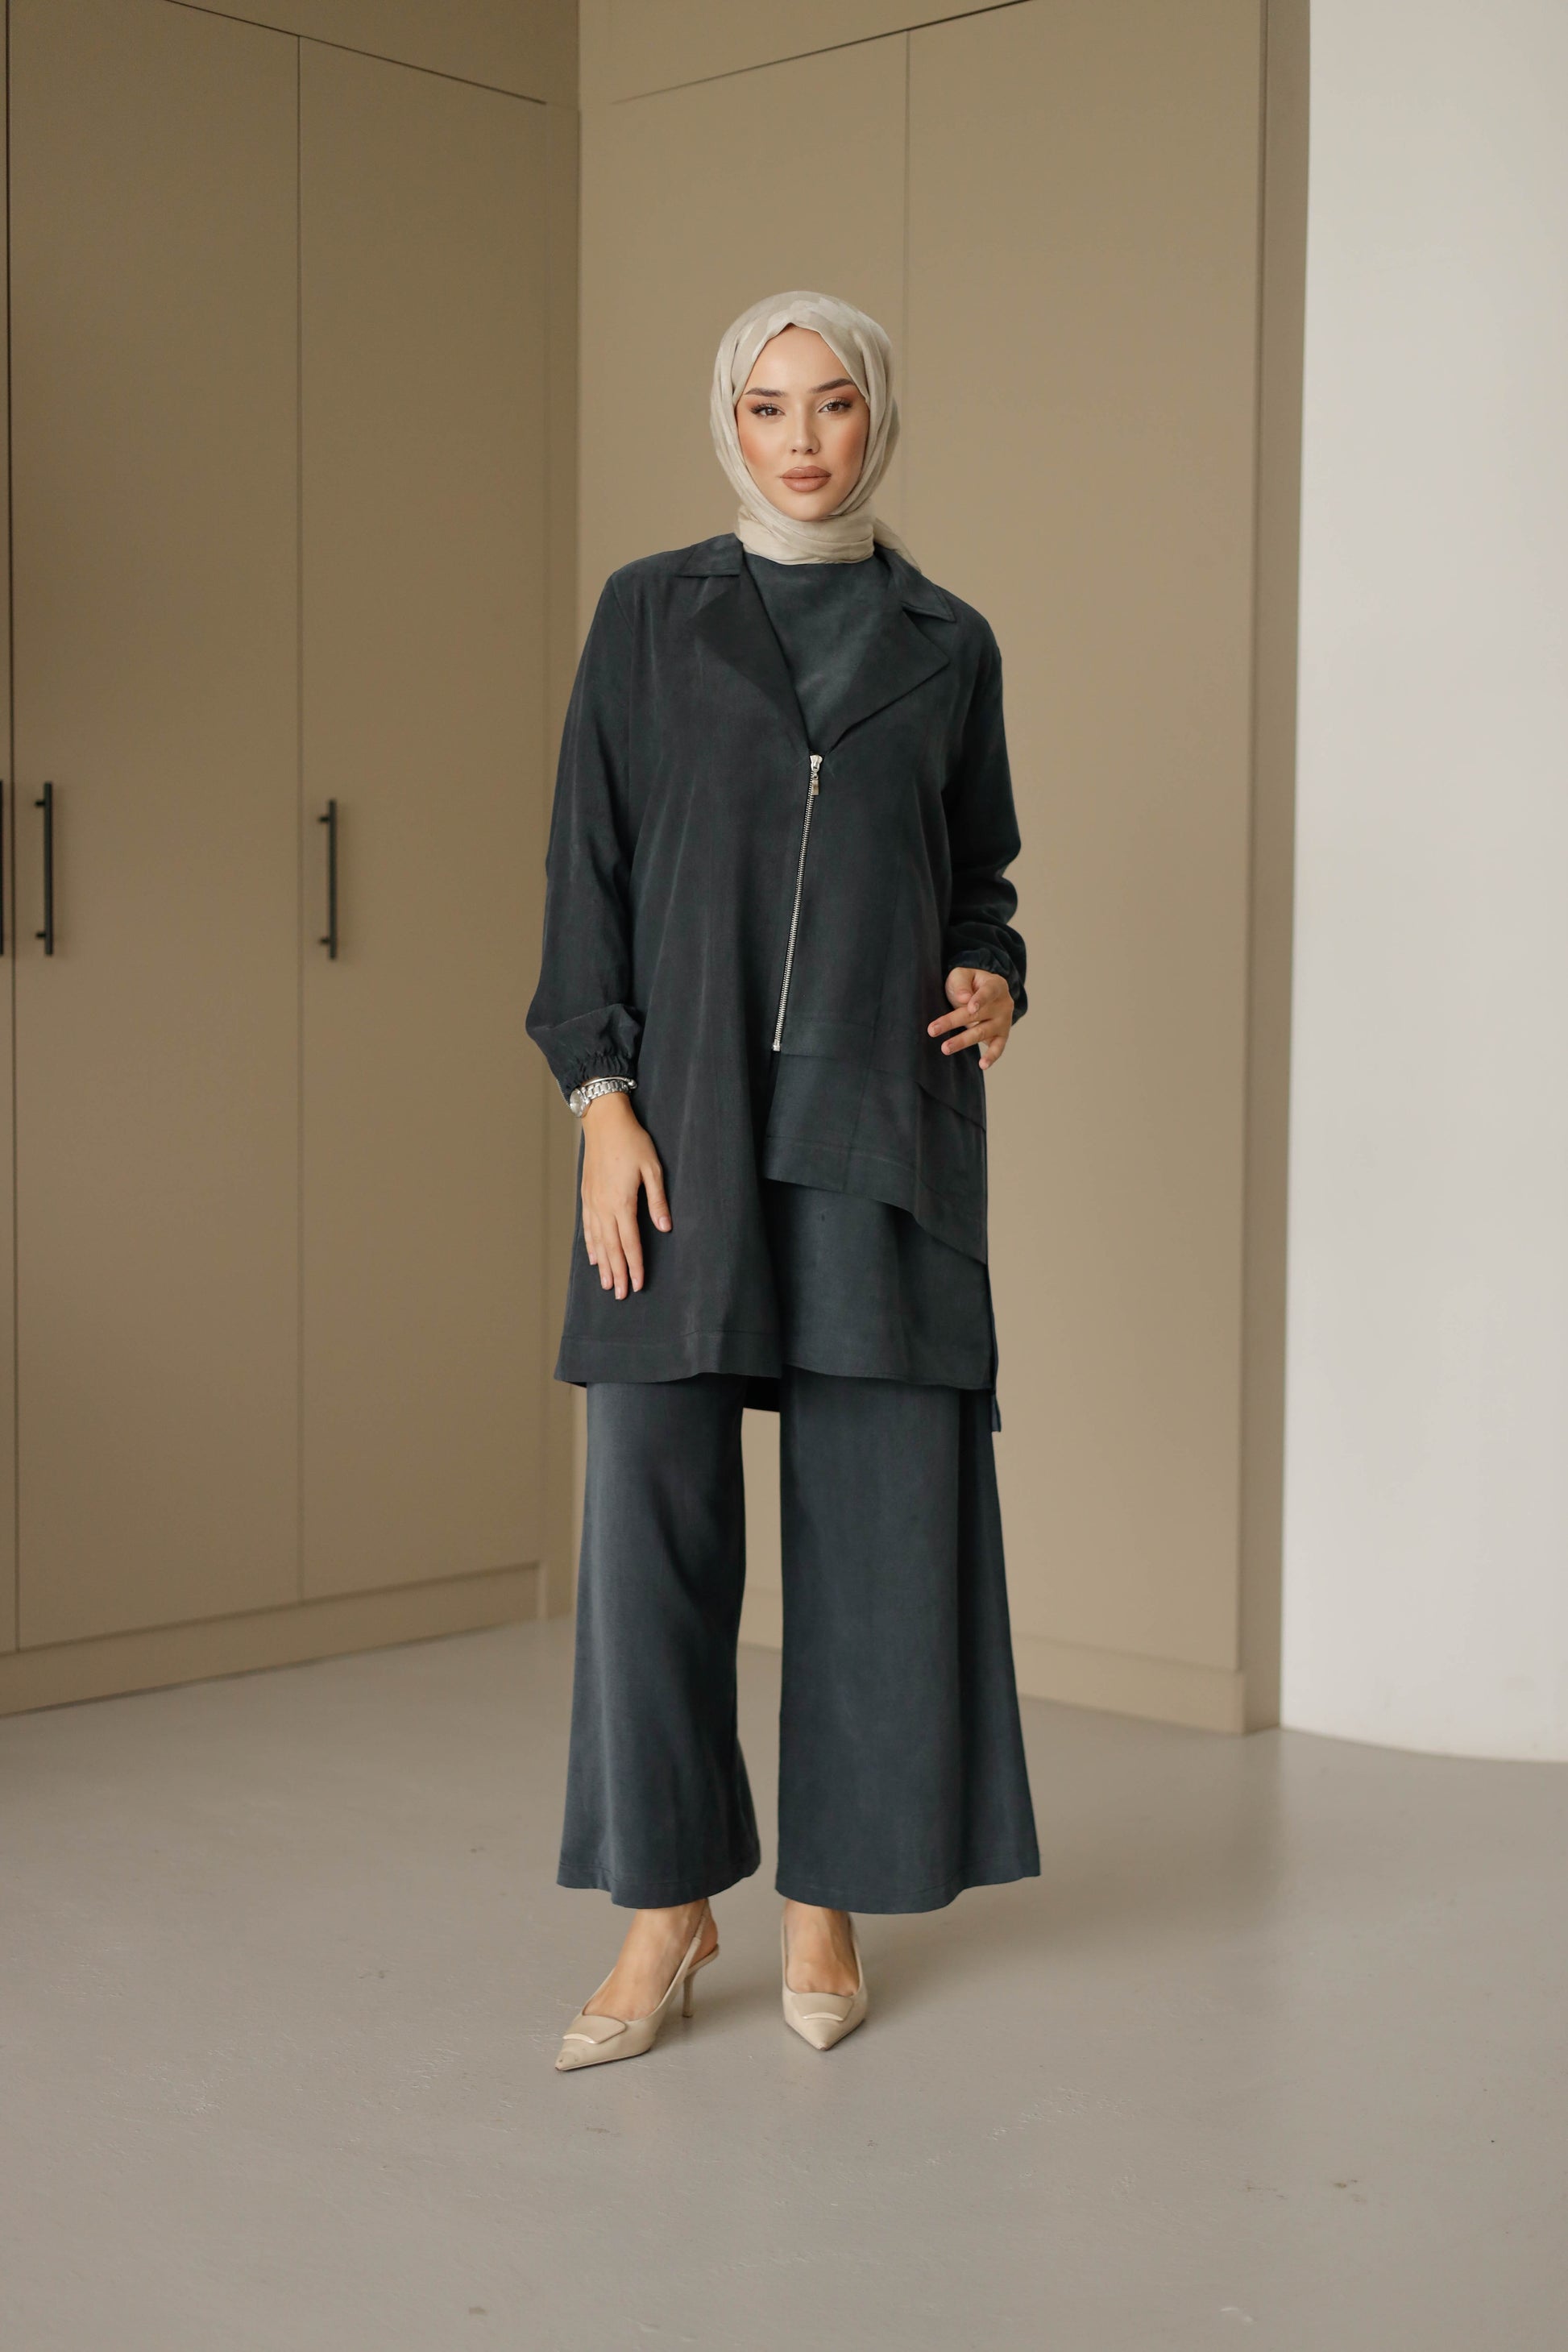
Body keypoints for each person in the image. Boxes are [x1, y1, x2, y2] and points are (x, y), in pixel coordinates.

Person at [526, 290, 1039, 2072]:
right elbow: (587, 864)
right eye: (766, 405)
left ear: (874, 418)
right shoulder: (648, 613)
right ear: (728, 423)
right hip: (676, 1127)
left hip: (876, 1130)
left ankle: (829, 1894)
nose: (801, 437)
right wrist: (599, 1098)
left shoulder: (947, 639)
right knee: (654, 1518)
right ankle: (666, 1906)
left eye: (831, 403)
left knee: (877, 1532)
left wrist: (993, 977)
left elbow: (979, 880)